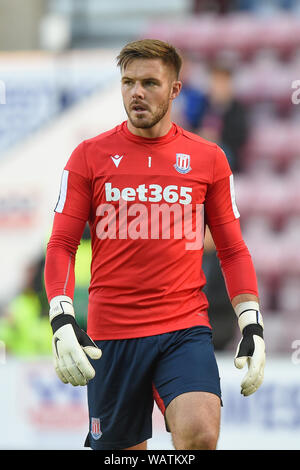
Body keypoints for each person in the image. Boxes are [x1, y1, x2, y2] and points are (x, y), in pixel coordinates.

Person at [44, 39, 266, 451]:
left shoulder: (208, 158)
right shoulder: (88, 157)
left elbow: (233, 249)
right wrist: (60, 317)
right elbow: (60, 244)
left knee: (200, 433)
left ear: (175, 90)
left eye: (149, 82)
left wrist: (250, 320)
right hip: (112, 334)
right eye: (128, 82)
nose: (137, 93)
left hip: (184, 327)